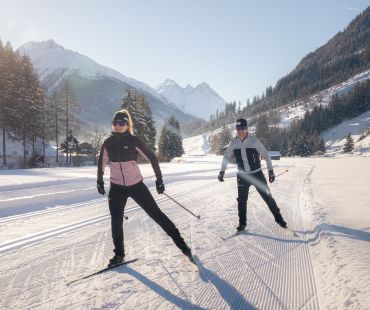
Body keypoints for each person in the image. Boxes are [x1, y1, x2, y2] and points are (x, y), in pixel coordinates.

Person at [97, 109, 193, 266]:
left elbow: (152, 158)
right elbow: (101, 162)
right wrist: (99, 181)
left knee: (156, 214)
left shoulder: (134, 141)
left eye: (121, 123)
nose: (118, 126)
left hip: (136, 186)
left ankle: (182, 244)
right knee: (116, 220)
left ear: (127, 125)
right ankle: (119, 255)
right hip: (116, 188)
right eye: (115, 123)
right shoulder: (108, 143)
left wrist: (159, 180)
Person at [218, 118, 287, 232]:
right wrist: (222, 171)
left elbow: (266, 155)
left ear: (246, 129)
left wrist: (270, 171)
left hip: (256, 175)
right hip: (242, 176)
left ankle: (279, 219)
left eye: (242, 128)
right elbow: (226, 157)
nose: (239, 131)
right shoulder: (233, 143)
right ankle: (242, 224)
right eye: (237, 129)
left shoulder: (254, 141)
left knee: (268, 198)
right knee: (241, 201)